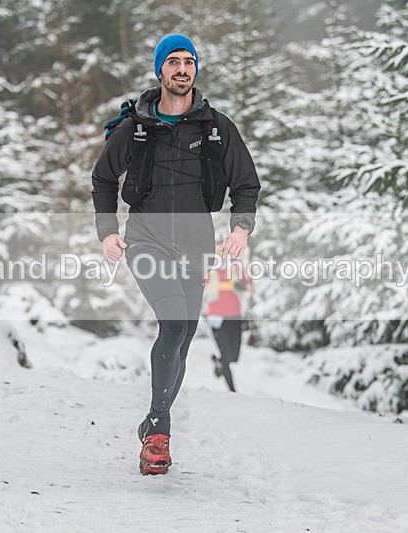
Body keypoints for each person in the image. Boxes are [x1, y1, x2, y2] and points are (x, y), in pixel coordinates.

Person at [91, 34, 261, 475]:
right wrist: (108, 232)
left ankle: (151, 422)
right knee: (172, 322)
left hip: (195, 243)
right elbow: (103, 179)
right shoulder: (135, 128)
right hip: (146, 239)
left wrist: (241, 226)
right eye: (174, 62)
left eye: (189, 62)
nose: (183, 69)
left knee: (184, 333)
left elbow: (246, 184)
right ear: (159, 71)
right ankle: (160, 433)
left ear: (195, 71)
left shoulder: (217, 129)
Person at [205, 261, 251, 392]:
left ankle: (220, 361)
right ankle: (233, 392)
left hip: (235, 316)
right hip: (217, 319)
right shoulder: (209, 270)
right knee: (226, 356)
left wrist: (241, 286)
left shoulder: (236, 269)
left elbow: (247, 286)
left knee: (234, 357)